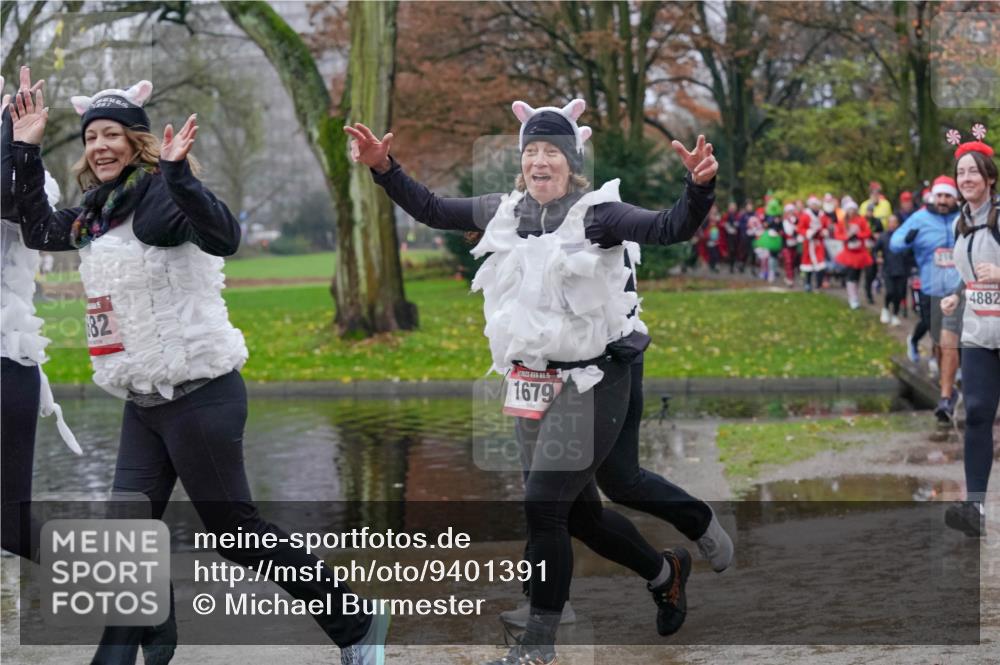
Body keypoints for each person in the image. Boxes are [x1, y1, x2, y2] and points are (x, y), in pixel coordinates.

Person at [7, 68, 388, 665]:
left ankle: (356, 622)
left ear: (138, 141)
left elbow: (225, 235)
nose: (100, 146)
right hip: (143, 402)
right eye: (90, 137)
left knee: (236, 533)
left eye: (112, 134)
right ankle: (140, 643)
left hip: (200, 395)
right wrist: (24, 148)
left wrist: (181, 175)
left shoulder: (162, 196)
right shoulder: (96, 212)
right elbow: (37, 228)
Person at [345, 98, 731, 665]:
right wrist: (385, 168)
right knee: (580, 511)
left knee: (552, 501)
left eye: (552, 151)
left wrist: (698, 189)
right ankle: (664, 572)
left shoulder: (598, 214)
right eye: (531, 152)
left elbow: (667, 227)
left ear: (571, 163)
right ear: (520, 162)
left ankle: (538, 645)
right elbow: (430, 207)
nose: (540, 161)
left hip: (598, 374)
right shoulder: (503, 211)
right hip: (533, 377)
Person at [1, 74, 80, 564]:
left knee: (11, 529)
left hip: (5, 361)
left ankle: (139, 589)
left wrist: (15, 142)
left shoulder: (25, 177)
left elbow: (12, 203)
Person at [940, 125, 1000, 537]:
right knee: (977, 412)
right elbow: (973, 277)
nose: (966, 180)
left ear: (990, 177)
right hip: (979, 334)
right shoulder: (962, 224)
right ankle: (973, 506)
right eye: (961, 173)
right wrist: (957, 295)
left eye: (973, 172)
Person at [890, 175, 962, 421]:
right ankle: (947, 381)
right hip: (931, 289)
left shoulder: (964, 217)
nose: (942, 201)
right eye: (939, 196)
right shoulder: (920, 218)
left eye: (947, 196)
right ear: (933, 196)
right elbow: (895, 242)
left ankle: (949, 387)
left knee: (953, 339)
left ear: (955, 198)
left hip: (960, 290)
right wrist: (907, 239)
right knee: (941, 341)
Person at [833, 197, 873, 310]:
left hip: (860, 252)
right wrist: (847, 237)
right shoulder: (842, 222)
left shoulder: (861, 221)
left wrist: (859, 235)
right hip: (849, 253)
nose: (851, 212)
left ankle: (855, 296)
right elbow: (838, 235)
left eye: (853, 210)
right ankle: (852, 298)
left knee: (858, 275)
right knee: (850, 275)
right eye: (849, 210)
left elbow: (867, 232)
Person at [873, 215, 907, 326]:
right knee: (890, 292)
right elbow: (874, 250)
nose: (892, 224)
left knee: (899, 294)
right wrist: (877, 258)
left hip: (902, 269)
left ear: (898, 224)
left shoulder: (903, 236)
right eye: (890, 222)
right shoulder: (883, 237)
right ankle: (886, 309)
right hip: (888, 269)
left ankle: (895, 315)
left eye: (895, 222)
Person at [797, 196, 828, 292]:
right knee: (808, 265)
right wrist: (809, 232)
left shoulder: (822, 215)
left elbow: (825, 225)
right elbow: (800, 228)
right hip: (809, 243)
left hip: (819, 243)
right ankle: (808, 283)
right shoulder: (805, 215)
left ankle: (818, 284)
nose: (815, 206)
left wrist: (824, 231)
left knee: (821, 264)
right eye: (813, 204)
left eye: (816, 204)